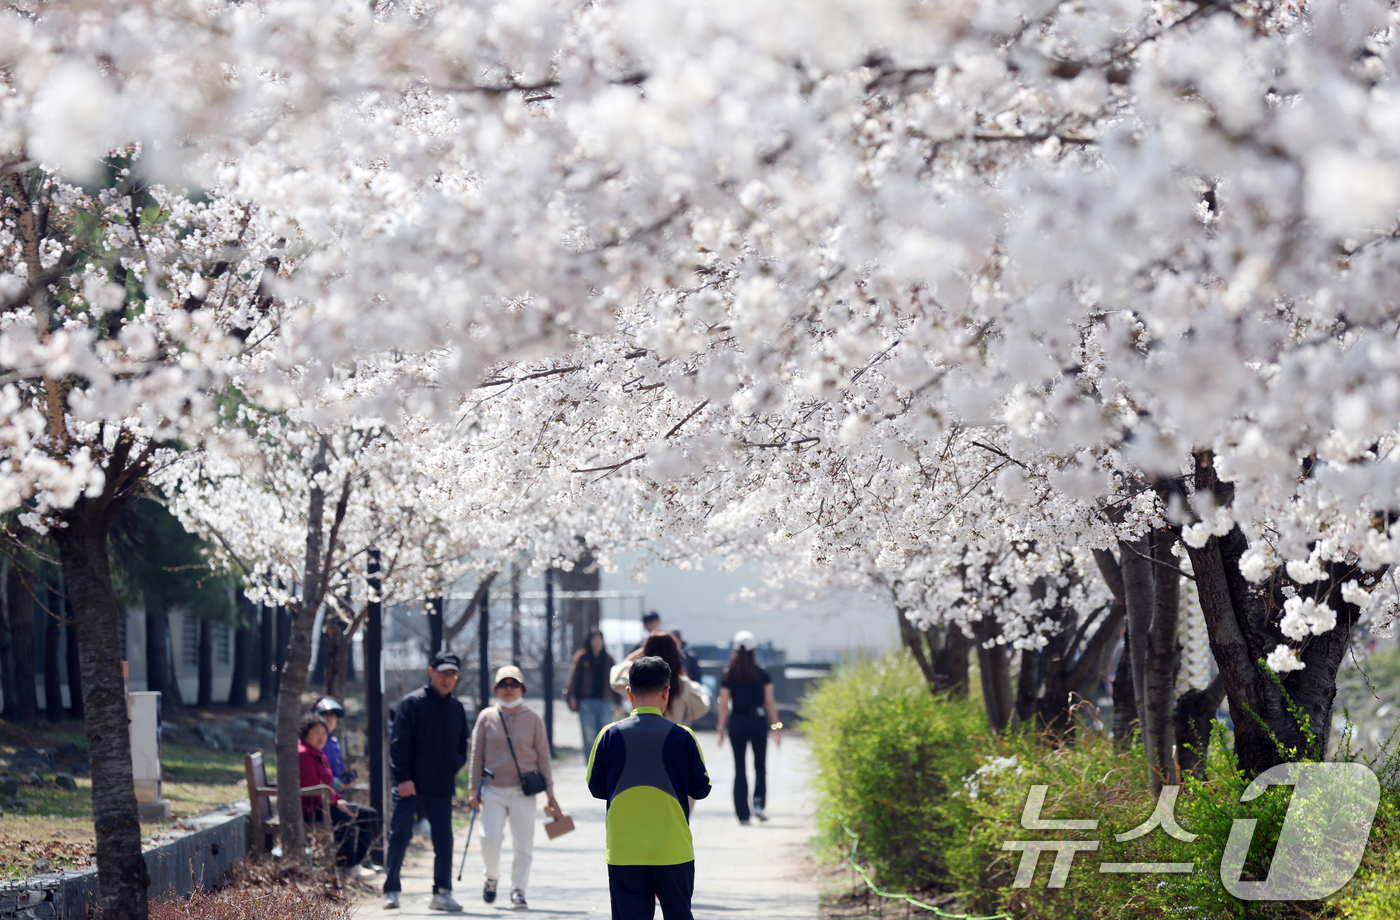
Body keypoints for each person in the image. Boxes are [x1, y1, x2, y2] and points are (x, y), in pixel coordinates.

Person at [588, 656, 711, 920]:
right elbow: (701, 789)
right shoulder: (684, 737)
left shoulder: (608, 735)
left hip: (624, 851)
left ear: (629, 693)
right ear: (667, 692)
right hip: (673, 849)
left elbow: (597, 788)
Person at [383, 652, 470, 912]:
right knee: (400, 835)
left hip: (441, 788)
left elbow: (461, 746)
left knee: (444, 839)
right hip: (410, 786)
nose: (448, 679)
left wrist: (452, 767)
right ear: (431, 672)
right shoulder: (411, 704)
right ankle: (391, 889)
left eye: (453, 674)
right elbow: (398, 745)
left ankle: (442, 892)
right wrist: (403, 778)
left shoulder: (456, 708)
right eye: (443, 673)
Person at [467, 665, 559, 911]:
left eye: (513, 684)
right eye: (503, 685)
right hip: (493, 789)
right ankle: (491, 877)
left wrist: (550, 790)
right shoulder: (486, 717)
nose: (509, 689)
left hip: (523, 790)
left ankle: (518, 889)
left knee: (523, 843)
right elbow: (477, 755)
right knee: (490, 839)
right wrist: (473, 788)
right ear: (496, 689)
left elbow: (543, 756)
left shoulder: (532, 718)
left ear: (522, 688)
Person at [297, 714, 380, 868]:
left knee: (370, 815)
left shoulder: (318, 752)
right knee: (344, 817)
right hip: (309, 807)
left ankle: (357, 863)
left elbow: (326, 784)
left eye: (324, 733)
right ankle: (345, 865)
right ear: (305, 733)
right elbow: (313, 788)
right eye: (317, 733)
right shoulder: (303, 753)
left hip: (325, 802)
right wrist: (336, 802)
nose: (321, 737)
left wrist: (338, 799)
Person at [715, 630, 781, 824]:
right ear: (754, 650)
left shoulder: (729, 674)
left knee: (740, 768)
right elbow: (770, 702)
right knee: (760, 766)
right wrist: (776, 727)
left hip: (737, 723)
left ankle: (743, 814)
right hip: (758, 722)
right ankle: (759, 804)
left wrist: (721, 730)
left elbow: (724, 705)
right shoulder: (763, 674)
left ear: (735, 650)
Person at [610, 632, 710, 726]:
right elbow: (702, 707)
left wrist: (643, 648)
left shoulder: (638, 678)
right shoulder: (683, 684)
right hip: (673, 738)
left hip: (641, 736)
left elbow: (617, 674)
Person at [565, 628, 618, 752]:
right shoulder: (582, 658)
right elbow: (573, 679)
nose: (597, 643)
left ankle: (605, 764)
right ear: (589, 641)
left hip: (605, 700)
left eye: (599, 640)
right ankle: (591, 765)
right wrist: (571, 697)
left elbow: (615, 681)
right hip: (586, 701)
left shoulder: (609, 659)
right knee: (589, 735)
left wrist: (618, 702)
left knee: (606, 734)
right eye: (594, 640)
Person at [314, 697, 356, 791]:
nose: (329, 718)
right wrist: (331, 782)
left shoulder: (334, 741)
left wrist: (345, 781)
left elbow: (339, 770)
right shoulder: (312, 741)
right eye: (325, 714)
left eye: (332, 714)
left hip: (336, 794)